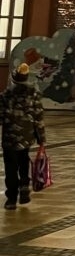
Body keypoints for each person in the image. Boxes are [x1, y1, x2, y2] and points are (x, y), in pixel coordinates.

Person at [0, 62, 46, 210]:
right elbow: (38, 116)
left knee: (11, 167)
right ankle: (25, 186)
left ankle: (11, 199)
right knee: (23, 161)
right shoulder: (33, 93)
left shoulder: (5, 95)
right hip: (26, 135)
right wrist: (41, 138)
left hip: (9, 137)